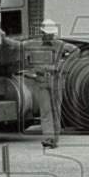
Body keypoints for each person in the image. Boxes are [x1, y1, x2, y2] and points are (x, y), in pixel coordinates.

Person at [22, 19, 65, 149]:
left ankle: (54, 138)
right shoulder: (32, 44)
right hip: (41, 81)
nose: (49, 36)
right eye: (48, 33)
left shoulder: (60, 44)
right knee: (46, 111)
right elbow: (17, 45)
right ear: (42, 32)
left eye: (51, 34)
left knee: (56, 111)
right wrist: (2, 38)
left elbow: (76, 51)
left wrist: (63, 64)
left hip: (56, 80)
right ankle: (49, 138)